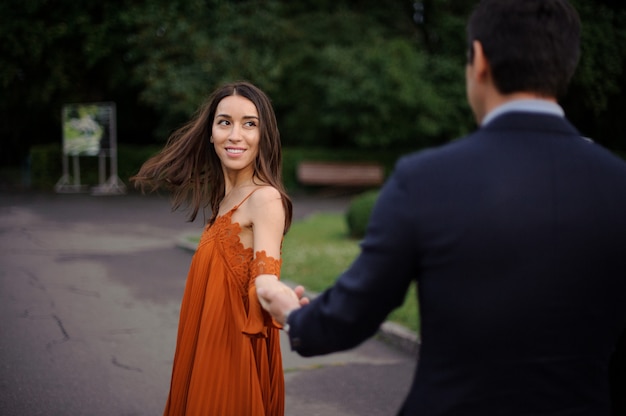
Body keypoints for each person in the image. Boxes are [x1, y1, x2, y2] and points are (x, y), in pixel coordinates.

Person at [256, 1, 626, 415]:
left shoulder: (425, 179)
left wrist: (292, 314)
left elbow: (347, 318)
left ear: (480, 60)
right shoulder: (617, 183)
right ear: (566, 66)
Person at [132, 81, 299, 415]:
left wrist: (282, 302)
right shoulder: (224, 201)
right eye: (225, 122)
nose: (235, 135)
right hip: (203, 347)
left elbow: (265, 275)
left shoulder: (265, 198)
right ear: (211, 133)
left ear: (263, 136)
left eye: (249, 124)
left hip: (232, 355)